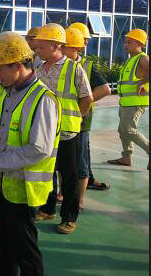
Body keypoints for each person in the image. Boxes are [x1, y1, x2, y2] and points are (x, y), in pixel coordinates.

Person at [0, 32, 60, 276]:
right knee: (3, 247)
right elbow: (3, 134)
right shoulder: (9, 93)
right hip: (1, 185)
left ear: (17, 65)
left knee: (25, 253)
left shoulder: (43, 99)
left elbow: (38, 149)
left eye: (0, 69)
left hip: (22, 191)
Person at [33, 23, 93, 234]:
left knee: (68, 176)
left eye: (41, 47)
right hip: (44, 132)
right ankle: (48, 209)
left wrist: (77, 117)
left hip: (67, 132)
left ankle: (69, 217)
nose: (37, 51)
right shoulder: (39, 70)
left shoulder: (74, 69)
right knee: (47, 172)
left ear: (55, 45)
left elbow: (87, 98)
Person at [63, 27, 111, 210]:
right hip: (64, 122)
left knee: (81, 162)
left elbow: (105, 89)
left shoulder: (87, 66)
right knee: (65, 161)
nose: (61, 50)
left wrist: (82, 106)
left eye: (64, 46)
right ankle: (63, 194)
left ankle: (80, 199)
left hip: (81, 123)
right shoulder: (60, 65)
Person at [107, 28, 149, 168]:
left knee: (128, 129)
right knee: (123, 130)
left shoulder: (142, 58)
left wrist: (142, 82)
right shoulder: (131, 60)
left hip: (136, 102)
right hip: (126, 102)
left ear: (140, 44)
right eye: (125, 42)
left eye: (129, 42)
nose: (125, 45)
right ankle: (126, 157)